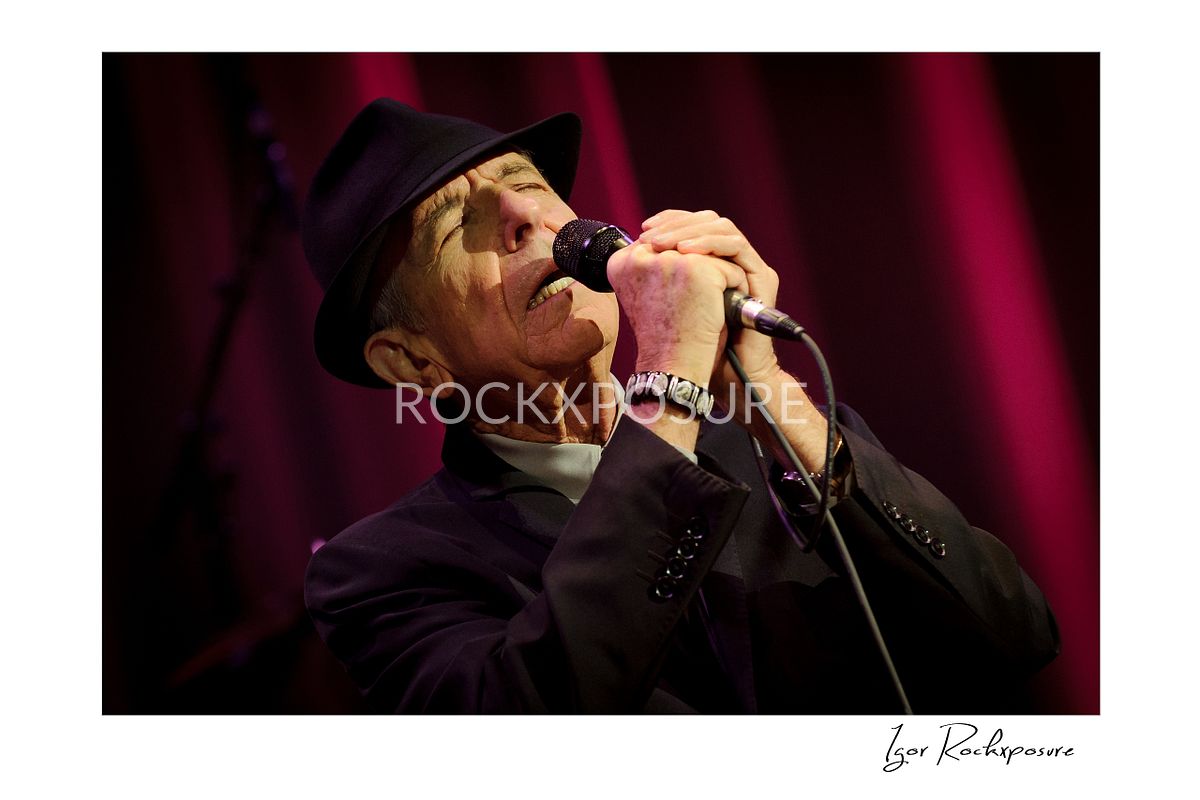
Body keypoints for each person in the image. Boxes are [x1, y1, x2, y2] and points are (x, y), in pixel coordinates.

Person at [301, 98, 1059, 713]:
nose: (523, 215)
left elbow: (1015, 634)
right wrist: (667, 381)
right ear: (412, 359)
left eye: (529, 183)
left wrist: (768, 392)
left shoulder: (769, 442)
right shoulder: (381, 572)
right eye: (453, 228)